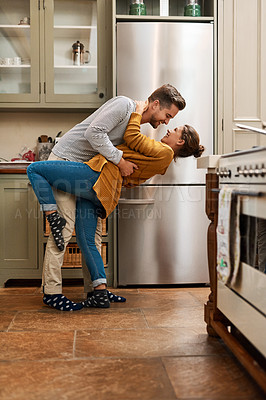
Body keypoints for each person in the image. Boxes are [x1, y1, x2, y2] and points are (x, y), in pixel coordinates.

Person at [27, 101, 205, 311]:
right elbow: (104, 138)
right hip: (101, 186)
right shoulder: (125, 108)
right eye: (168, 116)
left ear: (181, 141)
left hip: (97, 178)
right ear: (156, 104)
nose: (167, 124)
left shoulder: (162, 151)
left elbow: (132, 138)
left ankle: (70, 287)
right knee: (86, 238)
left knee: (38, 174)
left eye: (173, 126)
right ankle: (95, 291)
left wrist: (136, 117)